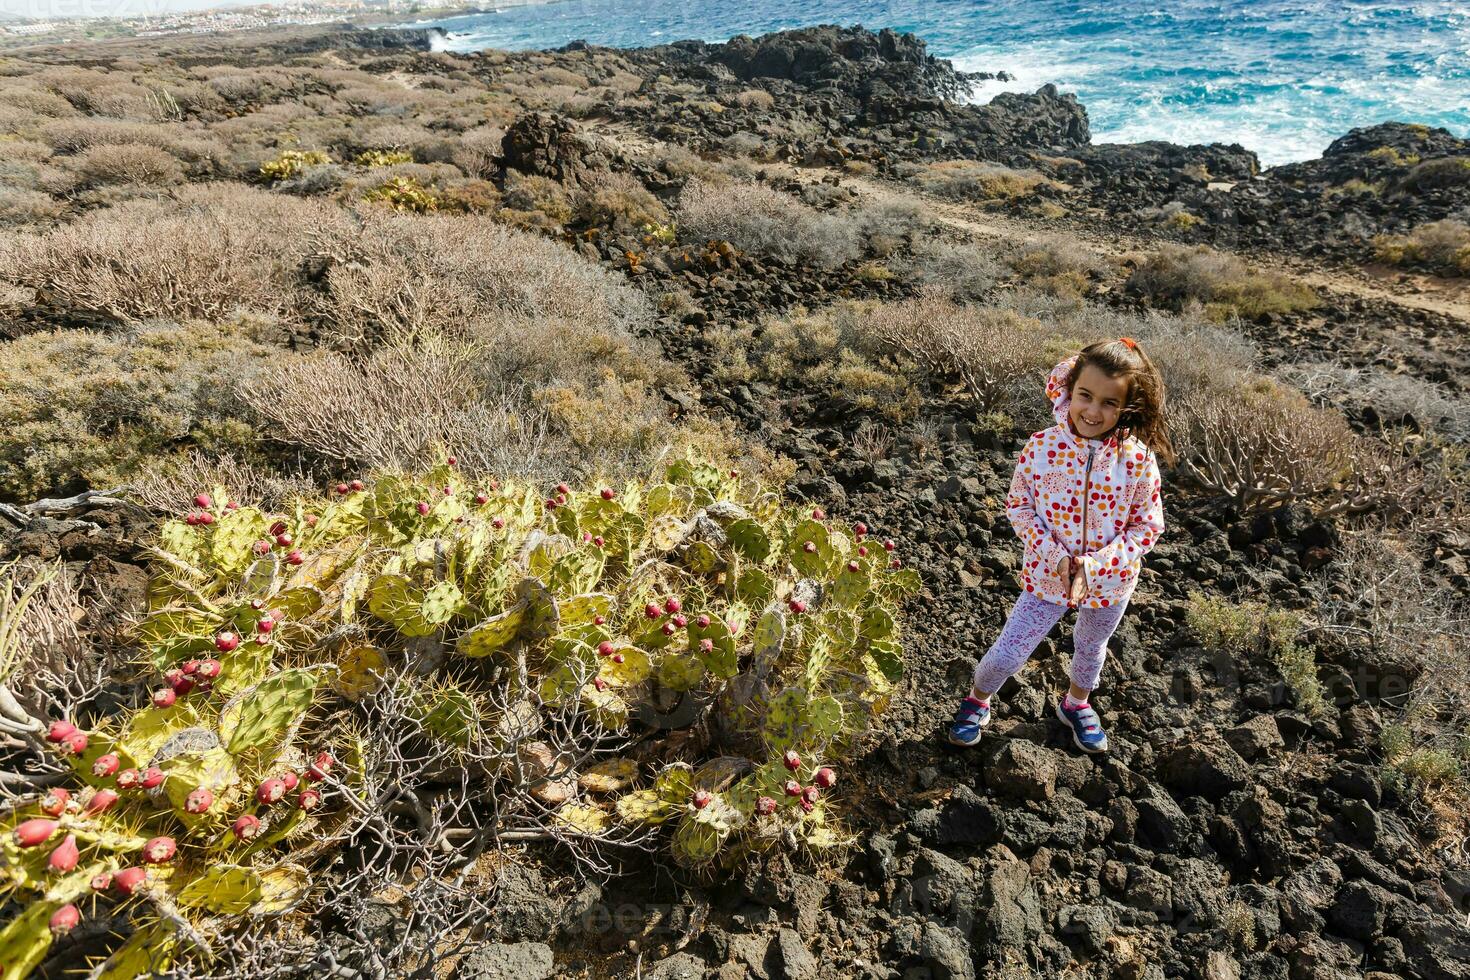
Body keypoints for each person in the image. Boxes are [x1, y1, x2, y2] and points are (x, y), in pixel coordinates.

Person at [948, 338, 1175, 753]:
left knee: (1091, 650)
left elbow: (1148, 526)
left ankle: (1076, 704)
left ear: (1127, 406)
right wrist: (1054, 557)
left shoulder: (1139, 460)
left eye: (1109, 403)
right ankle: (977, 699)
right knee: (1008, 653)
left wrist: (1096, 566)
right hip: (1044, 578)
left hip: (1109, 584)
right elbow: (1018, 507)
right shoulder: (1041, 448)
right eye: (1085, 396)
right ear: (1068, 390)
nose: (1092, 411)